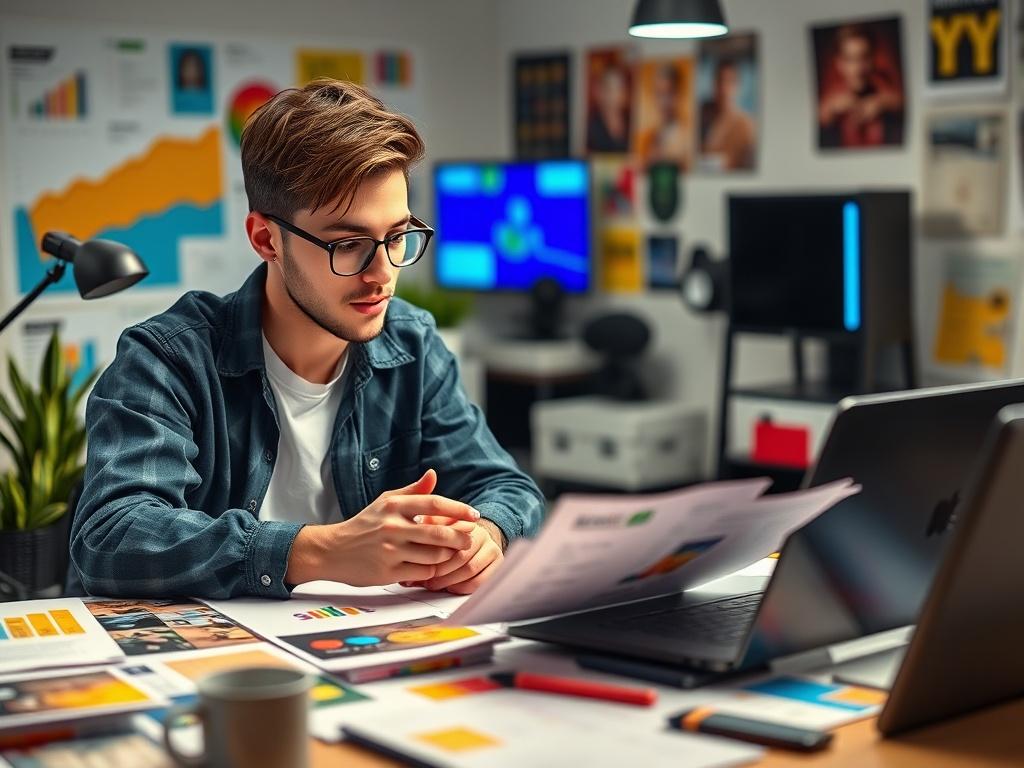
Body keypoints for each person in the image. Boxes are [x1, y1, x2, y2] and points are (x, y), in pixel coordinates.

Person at [68, 79, 544, 600]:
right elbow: (111, 535)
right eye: (349, 244)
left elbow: (508, 488)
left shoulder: (412, 343)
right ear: (266, 239)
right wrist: (321, 551)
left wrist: (486, 537)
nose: (382, 272)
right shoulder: (167, 359)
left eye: (397, 236)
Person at [817, 24, 903, 148]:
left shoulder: (883, 87)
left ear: (873, 58)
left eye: (864, 57)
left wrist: (882, 103)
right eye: (850, 59)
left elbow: (902, 101)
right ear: (839, 63)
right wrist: (831, 110)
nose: (858, 67)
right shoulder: (832, 98)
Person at [699, 59, 756, 171]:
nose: (724, 88)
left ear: (738, 86)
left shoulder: (746, 125)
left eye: (730, 81)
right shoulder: (702, 114)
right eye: (720, 81)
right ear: (713, 83)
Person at [636, 61, 692, 169]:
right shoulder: (647, 138)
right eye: (659, 93)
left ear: (679, 94)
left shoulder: (687, 138)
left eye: (669, 93)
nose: (663, 102)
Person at [586, 62, 630, 153]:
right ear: (600, 91)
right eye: (610, 88)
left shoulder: (630, 120)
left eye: (619, 88)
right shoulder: (591, 127)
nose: (615, 95)